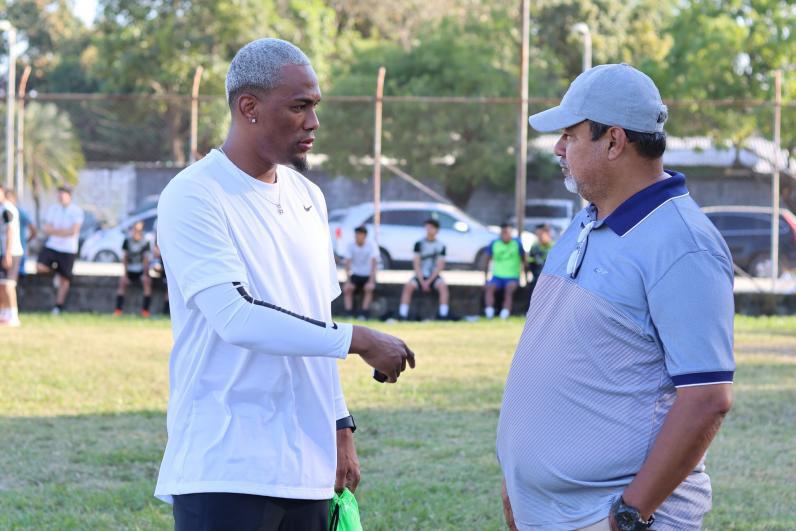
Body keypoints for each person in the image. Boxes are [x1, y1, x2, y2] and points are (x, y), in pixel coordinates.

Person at [154, 38, 415, 530]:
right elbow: (235, 316)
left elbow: (319, 317)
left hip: (306, 468)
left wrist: (341, 428)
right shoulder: (193, 194)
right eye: (299, 107)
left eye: (314, 107)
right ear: (248, 107)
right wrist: (358, 340)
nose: (313, 122)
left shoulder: (308, 196)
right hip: (224, 469)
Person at [496, 64, 735, 531]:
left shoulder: (683, 244)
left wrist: (628, 516)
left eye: (570, 134)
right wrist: (521, 479)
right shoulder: (586, 219)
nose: (558, 148)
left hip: (612, 518)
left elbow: (707, 398)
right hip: (547, 511)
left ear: (614, 141)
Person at [36, 185, 84, 315]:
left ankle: (58, 306)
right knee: (40, 266)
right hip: (53, 246)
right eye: (59, 194)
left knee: (65, 280)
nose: (60, 196)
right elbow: (47, 229)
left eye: (63, 194)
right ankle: (57, 271)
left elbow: (73, 231)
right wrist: (63, 232)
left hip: (68, 249)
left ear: (69, 196)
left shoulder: (76, 211)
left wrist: (55, 231)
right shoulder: (53, 209)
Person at [398, 218, 450, 320]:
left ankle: (444, 315)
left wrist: (429, 281)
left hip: (433, 276)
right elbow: (416, 264)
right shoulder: (419, 244)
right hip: (421, 275)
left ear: (437, 230)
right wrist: (422, 281)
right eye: (427, 227)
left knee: (443, 287)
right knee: (408, 287)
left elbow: (440, 266)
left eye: (431, 228)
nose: (428, 230)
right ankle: (402, 314)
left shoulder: (441, 246)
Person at [484, 222, 526, 319]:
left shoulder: (517, 243)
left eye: (507, 233)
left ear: (511, 233)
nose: (505, 235)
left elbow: (524, 261)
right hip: (497, 277)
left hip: (512, 277)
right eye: (503, 233)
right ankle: (489, 313)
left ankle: (505, 314)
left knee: (509, 290)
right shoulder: (494, 243)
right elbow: (487, 261)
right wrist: (485, 279)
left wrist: (525, 278)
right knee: (489, 288)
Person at [113, 220, 153, 317]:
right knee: (122, 283)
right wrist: (125, 275)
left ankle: (145, 311)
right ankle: (118, 310)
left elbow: (145, 259)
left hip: (140, 270)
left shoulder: (145, 242)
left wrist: (145, 274)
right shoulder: (127, 240)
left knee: (147, 282)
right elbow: (125, 258)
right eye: (135, 229)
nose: (137, 232)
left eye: (139, 230)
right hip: (130, 269)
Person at [342, 225, 378, 319]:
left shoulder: (371, 245)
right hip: (356, 274)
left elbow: (374, 263)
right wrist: (348, 281)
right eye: (356, 234)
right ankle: (348, 313)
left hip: (367, 275)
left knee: (369, 289)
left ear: (364, 235)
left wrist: (371, 281)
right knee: (348, 289)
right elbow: (347, 263)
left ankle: (363, 313)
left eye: (359, 234)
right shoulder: (350, 245)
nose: (357, 236)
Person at [0, 186, 24, 326]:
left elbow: (9, 231)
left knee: (8, 284)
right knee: (1, 284)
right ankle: (4, 313)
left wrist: (7, 254)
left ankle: (14, 316)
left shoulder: (7, 209)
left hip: (11, 252)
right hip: (4, 251)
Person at [4, 189, 36, 278]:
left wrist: (27, 241)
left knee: (12, 280)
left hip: (17, 250)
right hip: (7, 250)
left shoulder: (19, 212)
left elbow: (33, 230)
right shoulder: (4, 211)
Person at [526, 223, 554, 299]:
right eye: (538, 234)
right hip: (538, 275)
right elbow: (531, 263)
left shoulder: (554, 245)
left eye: (542, 234)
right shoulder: (535, 246)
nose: (540, 236)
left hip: (552, 276)